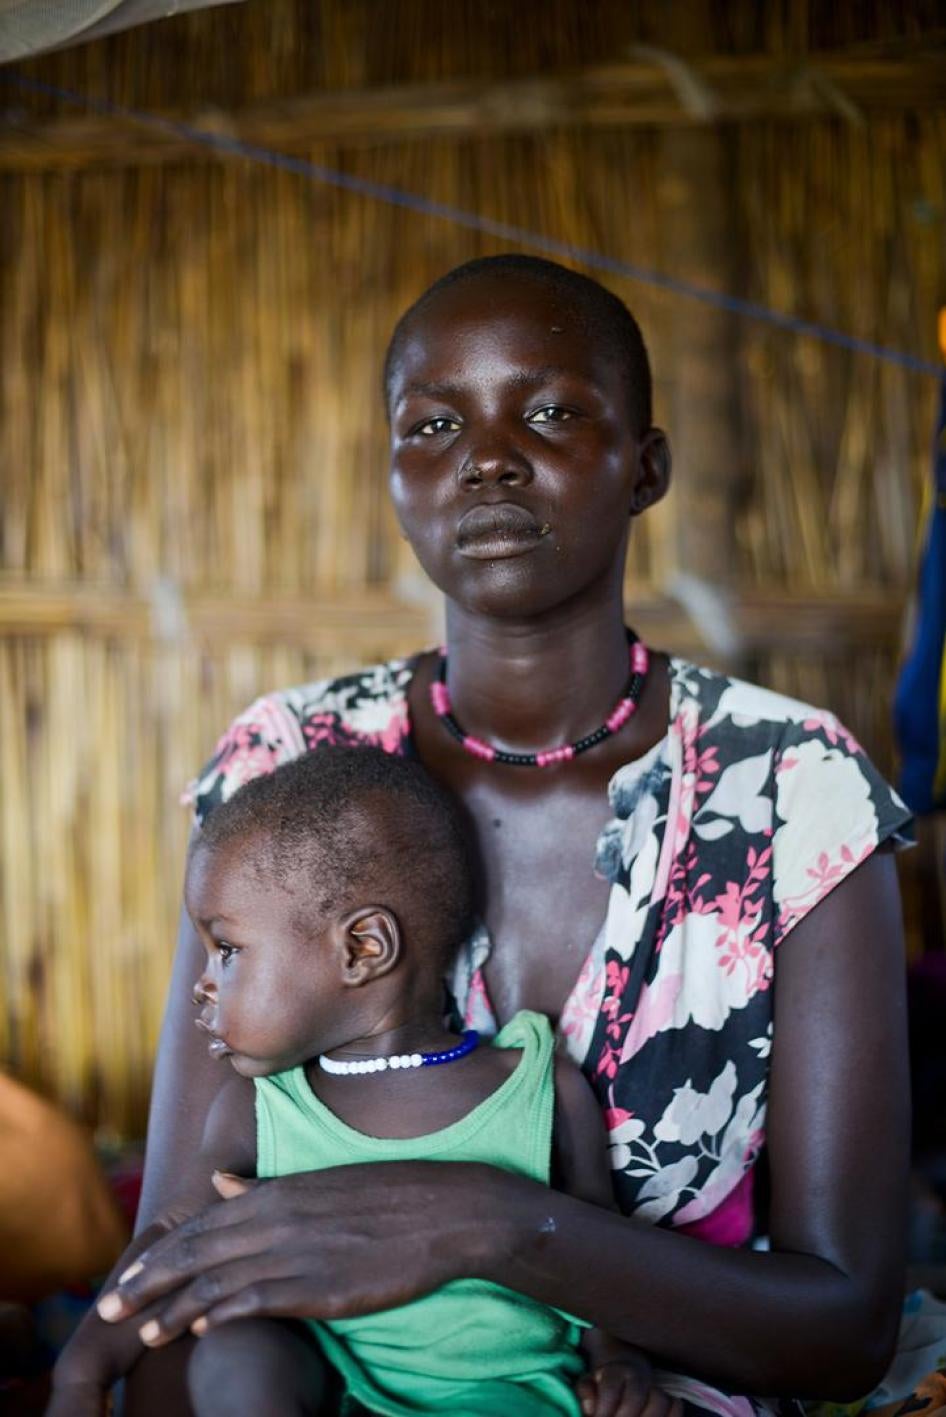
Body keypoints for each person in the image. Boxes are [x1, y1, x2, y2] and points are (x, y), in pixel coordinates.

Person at [57, 254, 914, 1415]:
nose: (489, 456)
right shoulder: (291, 761)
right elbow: (183, 1260)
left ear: (645, 466)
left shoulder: (789, 788)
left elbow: (843, 1328)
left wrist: (491, 1222)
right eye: (435, 423)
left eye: (552, 411)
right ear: (396, 474)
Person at [50, 745, 665, 1416]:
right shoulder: (260, 1110)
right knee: (238, 1346)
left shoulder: (537, 1087)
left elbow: (600, 1250)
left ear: (363, 948)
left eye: (226, 949)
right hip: (338, 1392)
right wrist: (80, 1371)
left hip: (515, 1398)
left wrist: (618, 1359)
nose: (200, 985)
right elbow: (176, 1244)